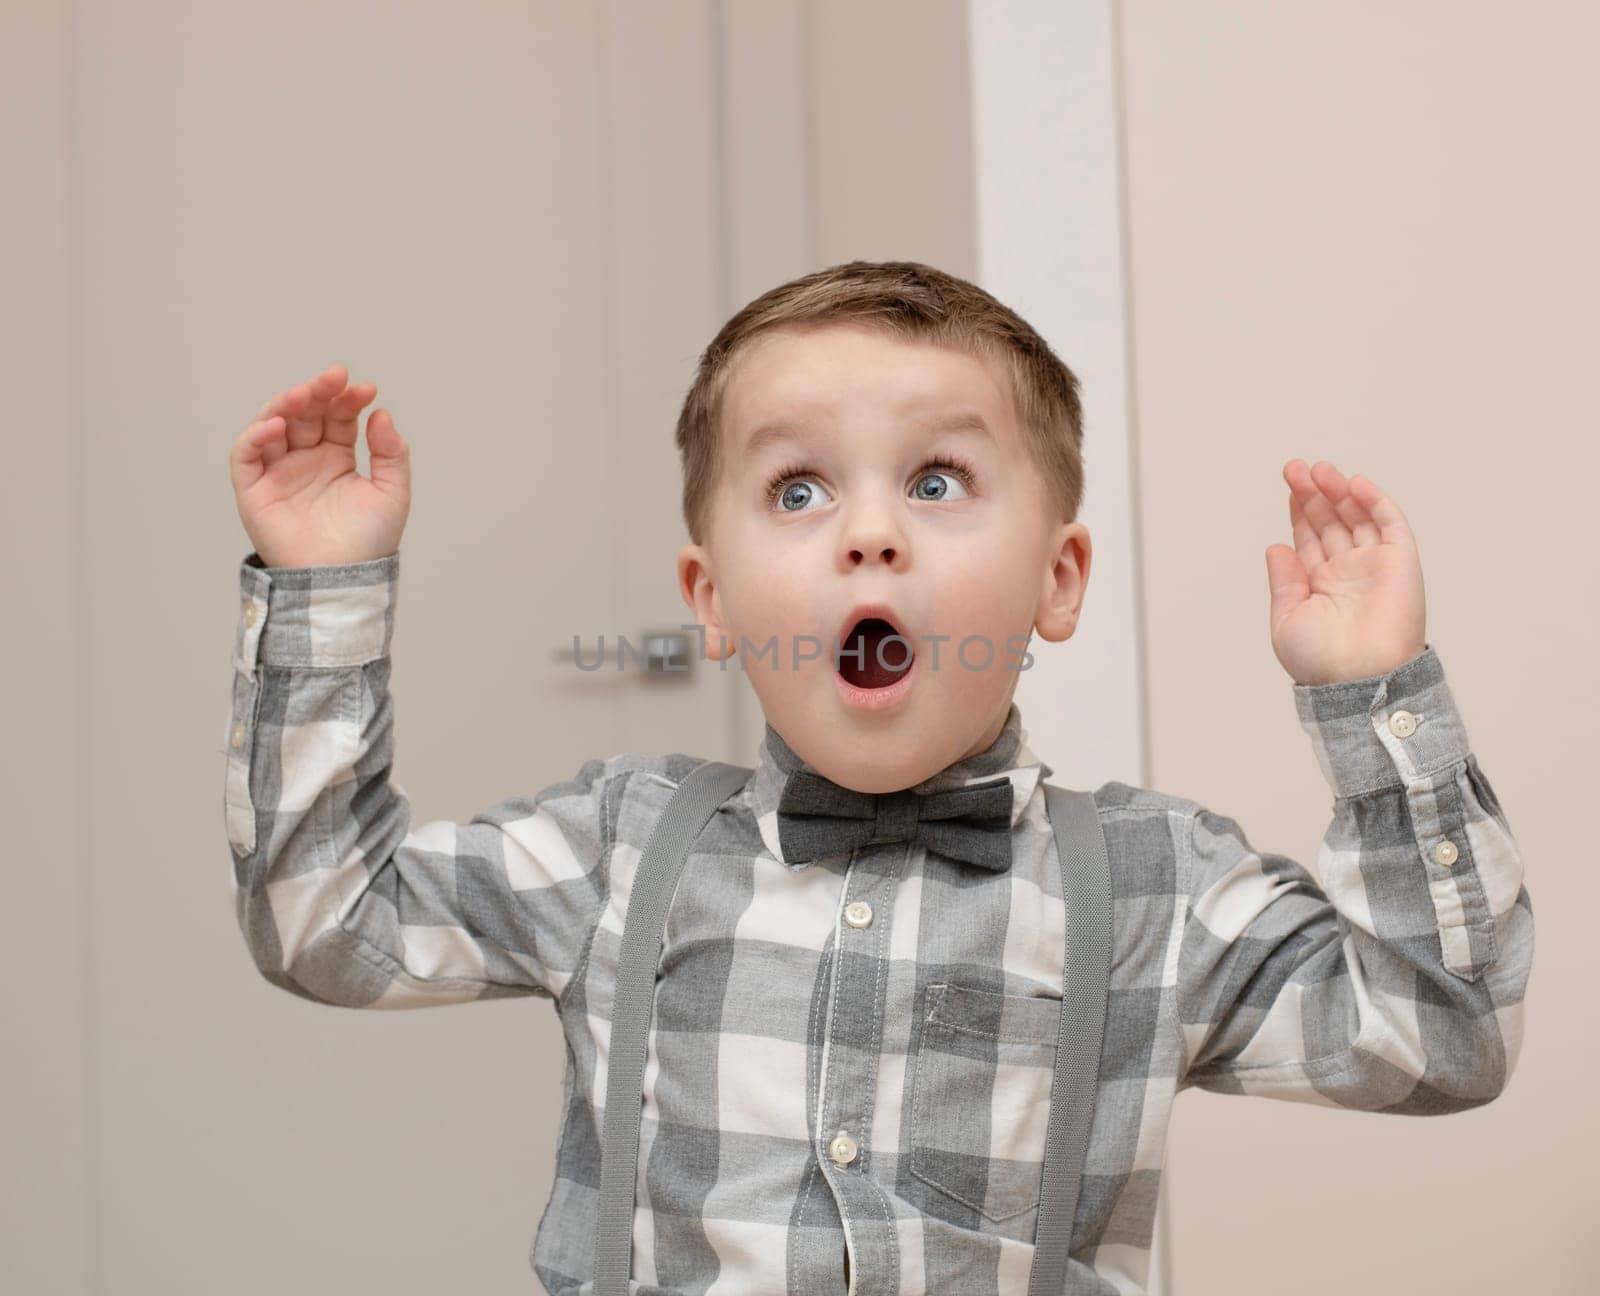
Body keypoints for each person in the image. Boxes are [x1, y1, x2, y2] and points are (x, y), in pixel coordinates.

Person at [222, 260, 1533, 1295]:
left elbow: (1448, 1036)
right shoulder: (617, 851)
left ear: (1055, 581)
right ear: (713, 598)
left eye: (939, 479)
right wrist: (326, 594)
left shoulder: (1156, 892)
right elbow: (323, 922)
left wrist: (1372, 696)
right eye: (798, 490)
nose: (868, 534)